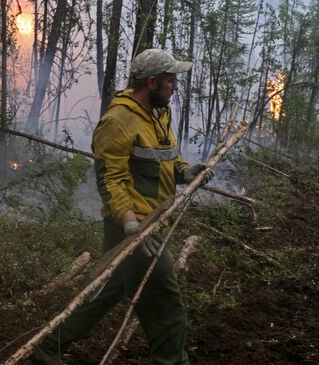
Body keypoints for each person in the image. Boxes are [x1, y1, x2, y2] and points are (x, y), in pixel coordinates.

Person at [33, 49, 214, 365]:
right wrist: (130, 224)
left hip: (150, 224)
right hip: (133, 228)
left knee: (107, 290)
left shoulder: (160, 113)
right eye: (171, 81)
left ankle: (49, 347)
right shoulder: (117, 121)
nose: (176, 86)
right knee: (165, 305)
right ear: (152, 82)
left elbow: (167, 157)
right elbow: (110, 179)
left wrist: (187, 172)